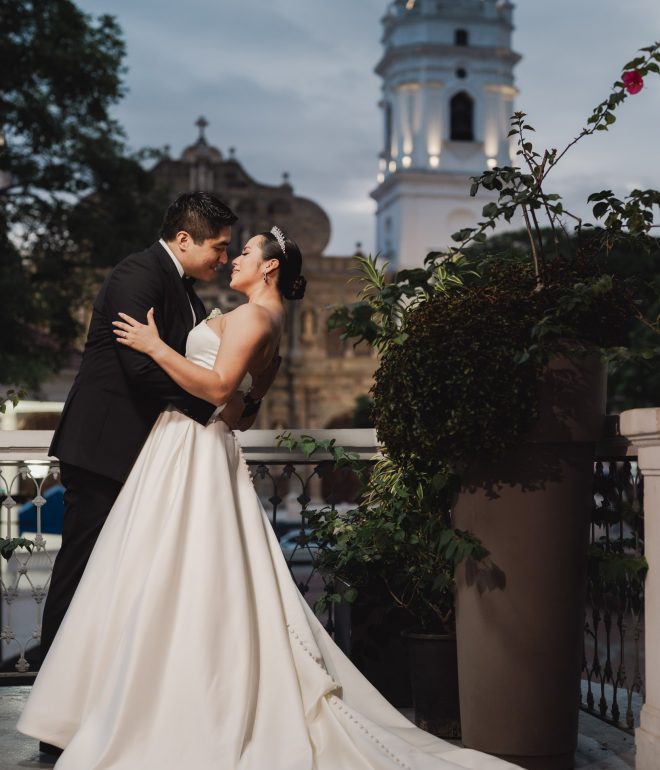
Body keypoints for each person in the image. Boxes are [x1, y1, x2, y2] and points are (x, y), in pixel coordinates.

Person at [19, 228, 519, 769]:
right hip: (196, 446)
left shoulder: (257, 316)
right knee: (176, 576)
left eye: (245, 252)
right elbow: (239, 411)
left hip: (190, 449)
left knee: (165, 575)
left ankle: (164, 703)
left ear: (270, 268)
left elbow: (214, 392)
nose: (233, 259)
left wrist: (153, 345)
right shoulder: (268, 320)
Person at [38, 191, 276, 757]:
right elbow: (140, 369)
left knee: (125, 587)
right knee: (79, 576)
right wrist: (215, 407)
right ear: (185, 239)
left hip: (153, 460)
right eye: (219, 247)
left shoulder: (191, 295)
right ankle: (53, 722)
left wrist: (233, 399)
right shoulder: (135, 275)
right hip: (103, 451)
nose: (223, 257)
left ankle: (110, 707)